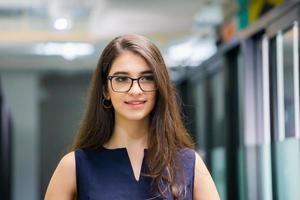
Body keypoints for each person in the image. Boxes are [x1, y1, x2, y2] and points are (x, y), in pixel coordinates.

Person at [44, 34, 220, 200]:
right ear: (105, 89)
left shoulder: (188, 164)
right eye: (122, 79)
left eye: (147, 78)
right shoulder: (74, 166)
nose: (135, 90)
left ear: (159, 86)